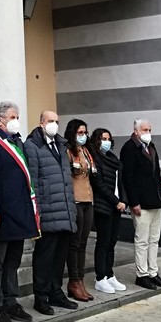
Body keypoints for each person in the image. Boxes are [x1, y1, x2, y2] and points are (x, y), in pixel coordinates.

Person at [0, 101, 39, 322]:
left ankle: (10, 300)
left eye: (17, 116)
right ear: (0, 120)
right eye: (13, 117)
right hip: (3, 213)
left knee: (13, 261)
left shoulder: (18, 142)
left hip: (20, 211)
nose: (16, 120)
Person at [25, 110, 78, 315]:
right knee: (44, 256)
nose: (54, 125)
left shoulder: (61, 145)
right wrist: (37, 211)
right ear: (41, 123)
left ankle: (56, 292)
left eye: (56, 121)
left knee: (59, 256)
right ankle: (41, 296)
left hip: (63, 209)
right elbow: (35, 182)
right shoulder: (33, 146)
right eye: (50, 121)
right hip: (47, 210)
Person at [120, 118, 161, 291]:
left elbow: (156, 174)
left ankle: (153, 272)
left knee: (154, 240)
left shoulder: (151, 147)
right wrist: (134, 202)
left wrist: (160, 198)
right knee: (142, 240)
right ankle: (142, 274)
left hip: (155, 201)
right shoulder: (129, 148)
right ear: (136, 131)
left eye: (149, 129)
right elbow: (129, 178)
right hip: (141, 202)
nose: (148, 132)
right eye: (145, 129)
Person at [90, 127, 127, 294]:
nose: (106, 141)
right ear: (96, 140)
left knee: (112, 241)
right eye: (103, 138)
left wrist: (123, 201)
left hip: (117, 206)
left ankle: (109, 274)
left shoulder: (112, 158)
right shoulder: (95, 159)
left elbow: (121, 182)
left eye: (108, 138)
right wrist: (115, 201)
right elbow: (99, 184)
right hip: (104, 205)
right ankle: (100, 278)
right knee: (103, 242)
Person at [64, 119, 95, 303]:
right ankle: (73, 281)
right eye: (80, 132)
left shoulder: (85, 151)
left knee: (83, 243)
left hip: (88, 199)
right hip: (75, 199)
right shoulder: (68, 151)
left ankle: (80, 280)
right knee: (74, 244)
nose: (83, 136)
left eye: (85, 132)